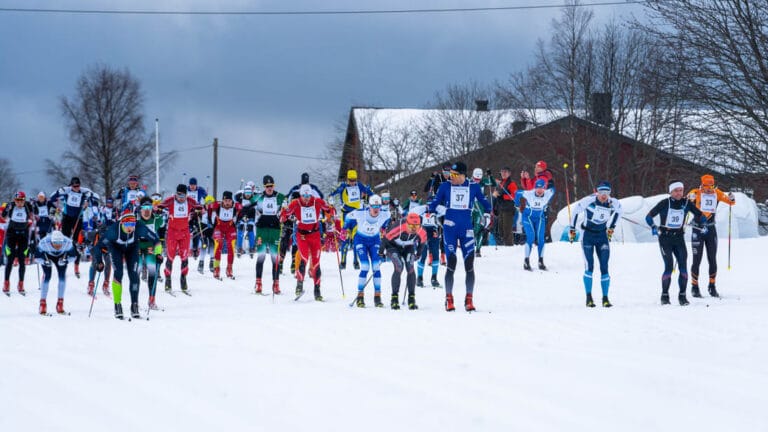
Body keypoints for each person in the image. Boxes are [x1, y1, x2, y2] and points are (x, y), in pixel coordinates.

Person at [428, 161, 491, 312]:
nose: (451, 177)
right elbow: (433, 203)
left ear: (463, 175)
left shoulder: (473, 187)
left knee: (469, 263)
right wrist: (438, 209)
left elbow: (485, 202)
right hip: (450, 229)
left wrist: (488, 214)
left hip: (466, 230)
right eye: (450, 174)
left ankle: (469, 299)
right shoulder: (445, 186)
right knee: (451, 262)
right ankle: (448, 298)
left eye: (455, 175)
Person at [645, 180, 707, 306]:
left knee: (683, 268)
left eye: (681, 190)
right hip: (665, 238)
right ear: (671, 192)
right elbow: (648, 217)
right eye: (676, 191)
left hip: (679, 238)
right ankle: (665, 296)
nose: (679, 193)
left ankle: (682, 297)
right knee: (668, 267)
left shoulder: (686, 203)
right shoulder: (664, 203)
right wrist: (653, 227)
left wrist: (701, 223)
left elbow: (701, 216)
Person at [93, 210, 162, 319]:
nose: (130, 228)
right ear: (122, 223)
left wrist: (158, 254)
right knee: (118, 272)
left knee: (134, 275)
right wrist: (99, 261)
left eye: (132, 224)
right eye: (127, 224)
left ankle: (134, 305)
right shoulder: (113, 231)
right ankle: (117, 305)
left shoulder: (139, 227)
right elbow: (97, 247)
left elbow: (156, 240)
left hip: (132, 248)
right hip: (116, 248)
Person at [568, 181, 622, 307]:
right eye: (601, 192)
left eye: (607, 192)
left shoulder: (613, 203)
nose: (604, 195)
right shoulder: (589, 200)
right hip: (587, 236)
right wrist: (572, 228)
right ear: (597, 192)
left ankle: (605, 298)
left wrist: (612, 227)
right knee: (589, 267)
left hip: (602, 236)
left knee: (604, 267)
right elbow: (575, 211)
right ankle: (589, 298)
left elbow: (620, 211)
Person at [279, 184, 334, 301]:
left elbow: (330, 211)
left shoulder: (317, 201)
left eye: (308, 195)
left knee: (316, 263)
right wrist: (283, 210)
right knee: (303, 258)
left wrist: (331, 206)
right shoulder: (295, 203)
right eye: (304, 195)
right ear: (300, 195)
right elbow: (283, 217)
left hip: (314, 235)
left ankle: (317, 290)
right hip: (302, 235)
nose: (306, 198)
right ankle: (299, 285)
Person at [687, 174, 735, 298]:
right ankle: (694, 286)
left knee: (712, 259)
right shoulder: (695, 192)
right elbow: (685, 202)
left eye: (711, 186)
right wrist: (689, 198)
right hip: (698, 229)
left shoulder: (717, 193)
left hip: (711, 229)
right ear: (702, 184)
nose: (709, 188)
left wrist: (731, 198)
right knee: (697, 259)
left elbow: (731, 202)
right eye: (706, 186)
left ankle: (712, 286)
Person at [345, 194, 390, 307]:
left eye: (378, 206)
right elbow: (347, 216)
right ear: (369, 206)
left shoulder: (385, 214)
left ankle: (377, 297)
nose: (376, 209)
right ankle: (360, 297)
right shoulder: (360, 213)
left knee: (376, 267)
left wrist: (384, 228)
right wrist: (345, 228)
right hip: (360, 240)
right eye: (373, 206)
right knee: (365, 266)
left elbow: (387, 221)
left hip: (374, 241)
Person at [48, 177, 99, 277]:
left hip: (78, 218)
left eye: (78, 186)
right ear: (71, 185)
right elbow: (52, 198)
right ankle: (61, 261)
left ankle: (76, 265)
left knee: (78, 242)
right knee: (64, 240)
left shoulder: (84, 191)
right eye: (74, 186)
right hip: (67, 218)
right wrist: (59, 191)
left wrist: (90, 198)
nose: (76, 188)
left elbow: (96, 198)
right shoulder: (66, 191)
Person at [159, 184, 201, 293]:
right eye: (179, 195)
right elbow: (161, 205)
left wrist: (199, 210)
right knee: (170, 256)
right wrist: (159, 208)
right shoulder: (171, 200)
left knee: (184, 256)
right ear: (176, 194)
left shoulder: (190, 201)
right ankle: (168, 279)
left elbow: (199, 206)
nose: (181, 198)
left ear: (186, 195)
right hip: (172, 233)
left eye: (183, 196)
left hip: (184, 233)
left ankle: (183, 278)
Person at [381, 212, 427, 310]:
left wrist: (418, 254)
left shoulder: (421, 231)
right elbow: (385, 238)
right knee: (399, 266)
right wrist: (381, 252)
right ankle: (394, 298)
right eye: (411, 226)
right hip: (392, 246)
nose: (414, 228)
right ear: (407, 223)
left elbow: (422, 243)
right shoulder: (399, 227)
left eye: (416, 226)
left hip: (408, 247)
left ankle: (411, 298)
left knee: (410, 267)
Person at [330, 169, 373, 269]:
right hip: (345, 216)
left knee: (356, 240)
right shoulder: (343, 186)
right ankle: (343, 262)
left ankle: (355, 261)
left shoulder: (359, 185)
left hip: (357, 216)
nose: (353, 182)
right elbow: (333, 192)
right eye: (351, 180)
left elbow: (369, 192)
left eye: (354, 180)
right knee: (345, 239)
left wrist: (375, 198)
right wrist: (330, 199)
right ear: (347, 179)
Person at [253, 175, 286, 295]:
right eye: (267, 186)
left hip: (275, 230)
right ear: (264, 187)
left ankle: (276, 284)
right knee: (261, 257)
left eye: (271, 186)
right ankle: (258, 283)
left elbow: (289, 203)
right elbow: (247, 204)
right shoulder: (259, 197)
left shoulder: (279, 197)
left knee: (275, 258)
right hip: (262, 230)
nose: (269, 188)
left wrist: (285, 210)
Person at [516, 179, 556, 270]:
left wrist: (551, 183)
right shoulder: (529, 194)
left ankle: (541, 261)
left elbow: (553, 190)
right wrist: (517, 204)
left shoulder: (548, 193)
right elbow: (517, 193)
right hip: (528, 217)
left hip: (540, 218)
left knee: (541, 238)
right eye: (537, 188)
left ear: (544, 188)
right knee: (531, 237)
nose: (539, 190)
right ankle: (526, 261)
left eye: (541, 188)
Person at [35, 230, 78, 315]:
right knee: (47, 276)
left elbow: (74, 256)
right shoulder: (43, 243)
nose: (58, 245)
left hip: (61, 257)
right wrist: (44, 262)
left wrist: (66, 261)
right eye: (55, 243)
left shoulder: (68, 243)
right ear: (51, 241)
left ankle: (60, 303)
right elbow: (37, 258)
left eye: (60, 243)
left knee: (62, 277)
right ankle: (42, 304)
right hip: (47, 256)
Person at [2, 192, 36, 295]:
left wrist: (33, 206)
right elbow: (3, 216)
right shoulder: (11, 205)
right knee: (10, 258)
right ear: (15, 200)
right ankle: (6, 283)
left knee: (22, 260)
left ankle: (21, 283)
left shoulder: (27, 206)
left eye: (21, 200)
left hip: (23, 234)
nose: (19, 203)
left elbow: (35, 214)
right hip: (11, 234)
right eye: (17, 200)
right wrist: (7, 209)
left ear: (24, 200)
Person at [137, 197, 166, 309]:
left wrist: (159, 247)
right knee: (136, 274)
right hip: (138, 247)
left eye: (149, 207)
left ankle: (152, 299)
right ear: (140, 209)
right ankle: (135, 301)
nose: (147, 210)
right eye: (144, 208)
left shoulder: (156, 219)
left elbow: (163, 226)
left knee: (153, 273)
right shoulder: (135, 220)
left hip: (151, 247)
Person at [209, 191, 242, 280]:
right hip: (219, 227)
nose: (227, 203)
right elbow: (207, 207)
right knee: (218, 245)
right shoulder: (217, 206)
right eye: (226, 200)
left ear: (232, 201)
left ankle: (229, 268)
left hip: (230, 227)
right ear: (222, 201)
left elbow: (244, 211)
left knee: (230, 247)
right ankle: (216, 268)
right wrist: (210, 221)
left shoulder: (236, 207)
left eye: (229, 201)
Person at [492, 166, 519, 246]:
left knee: (507, 229)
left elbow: (514, 196)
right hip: (501, 208)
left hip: (508, 209)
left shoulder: (511, 183)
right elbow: (496, 194)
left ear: (509, 173)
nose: (503, 173)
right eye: (502, 172)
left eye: (505, 172)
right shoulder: (500, 183)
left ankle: (509, 246)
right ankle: (506, 244)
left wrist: (501, 195)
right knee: (500, 230)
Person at [235, 185, 257, 257]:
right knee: (240, 228)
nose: (248, 195)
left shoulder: (254, 199)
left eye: (249, 193)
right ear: (244, 192)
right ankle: (239, 247)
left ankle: (252, 247)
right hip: (241, 217)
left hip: (250, 216)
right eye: (246, 192)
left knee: (250, 229)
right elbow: (235, 197)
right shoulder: (240, 198)